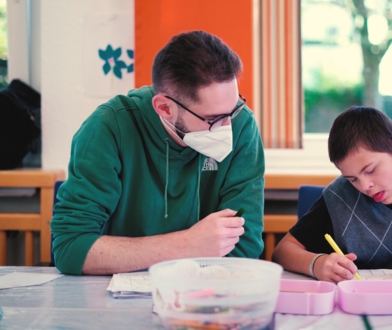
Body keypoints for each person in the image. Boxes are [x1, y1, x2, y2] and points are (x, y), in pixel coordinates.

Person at [51, 31, 265, 275]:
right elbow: (71, 249)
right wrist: (186, 245)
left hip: (205, 294)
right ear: (164, 108)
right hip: (113, 298)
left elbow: (244, 249)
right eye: (213, 119)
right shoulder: (109, 127)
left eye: (234, 110)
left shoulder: (243, 125)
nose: (228, 128)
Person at [272, 106, 392, 283]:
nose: (365, 186)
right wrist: (317, 264)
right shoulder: (341, 195)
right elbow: (282, 251)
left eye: (370, 170)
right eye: (352, 178)